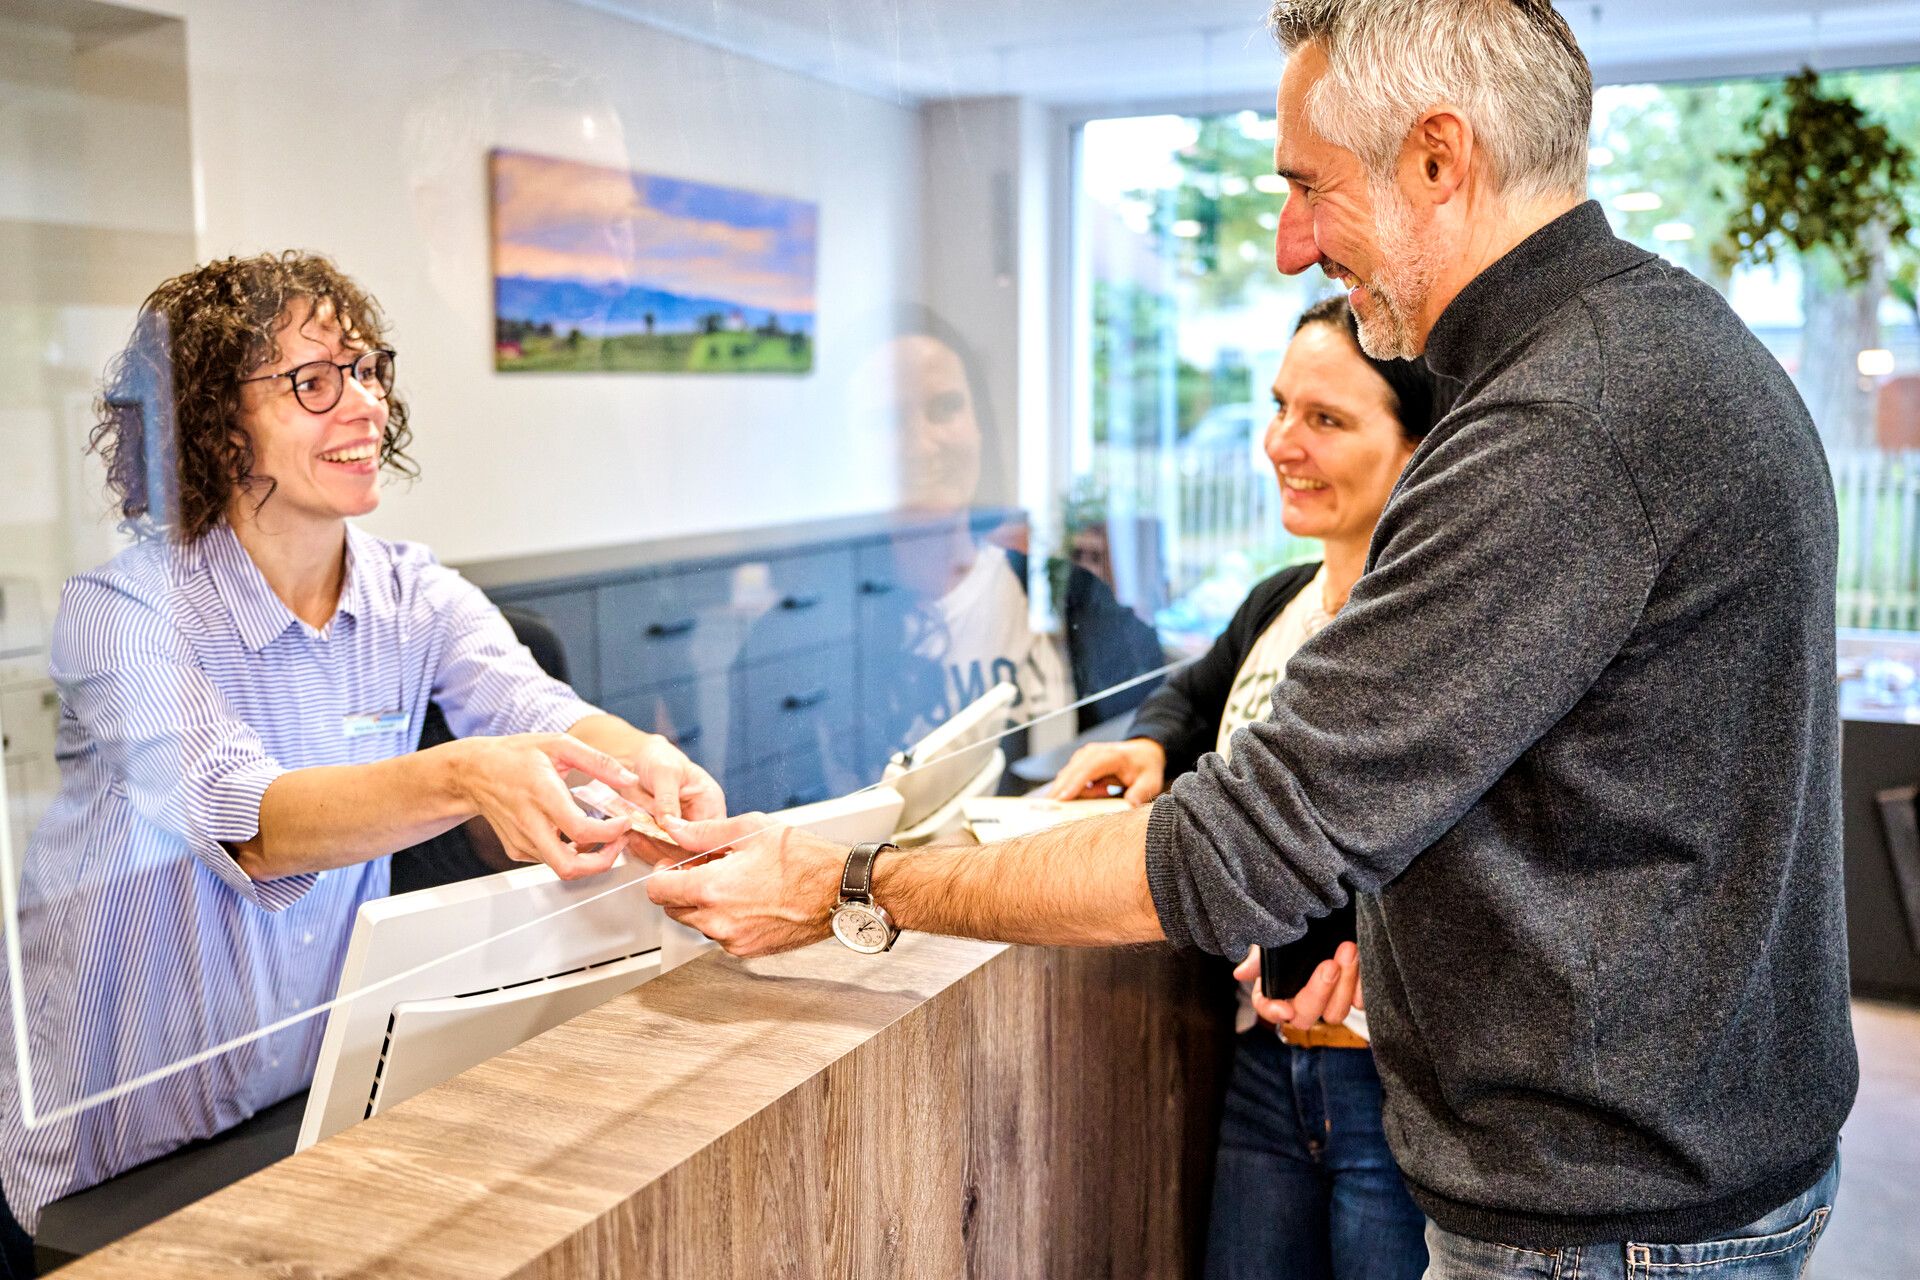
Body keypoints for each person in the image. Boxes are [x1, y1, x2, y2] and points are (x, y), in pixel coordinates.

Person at [632, 1, 1857, 1275]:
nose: (1290, 245)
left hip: (1608, 1222)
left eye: (1311, 188)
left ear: (1441, 158)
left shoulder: (1564, 423)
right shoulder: (1653, 348)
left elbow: (1238, 854)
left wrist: (848, 884)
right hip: (1674, 1163)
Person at [0, 252, 721, 1266]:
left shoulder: (411, 592)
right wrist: (465, 772)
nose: (366, 405)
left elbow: (536, 707)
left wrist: (649, 761)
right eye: (312, 381)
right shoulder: (120, 614)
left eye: (367, 369)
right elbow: (248, 819)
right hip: (117, 1149)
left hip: (304, 1099)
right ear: (211, 421)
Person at [1047, 295, 1434, 1280]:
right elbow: (1192, 693)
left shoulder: (1435, 637)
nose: (1279, 443)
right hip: (1264, 1064)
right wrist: (1153, 747)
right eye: (1280, 407)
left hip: (1392, 1090)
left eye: (1327, 419)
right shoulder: (1276, 599)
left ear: (1421, 445)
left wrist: (1374, 944)